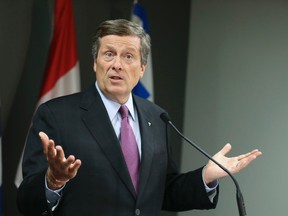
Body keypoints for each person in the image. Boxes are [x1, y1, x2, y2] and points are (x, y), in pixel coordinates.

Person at [17, 19, 262, 216]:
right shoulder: (56, 115)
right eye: (109, 54)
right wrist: (53, 180)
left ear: (142, 68)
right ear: (95, 62)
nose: (117, 65)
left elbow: (163, 192)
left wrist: (205, 177)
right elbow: (25, 201)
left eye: (128, 56)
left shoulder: (157, 117)